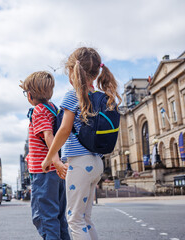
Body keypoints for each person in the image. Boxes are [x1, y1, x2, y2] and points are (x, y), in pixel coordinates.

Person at [43, 47, 121, 240]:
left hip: (79, 163)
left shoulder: (73, 95)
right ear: (96, 73)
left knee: (75, 220)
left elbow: (64, 129)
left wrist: (49, 158)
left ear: (73, 70)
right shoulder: (102, 97)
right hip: (96, 163)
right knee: (86, 219)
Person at [20, 71, 70, 240]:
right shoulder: (52, 108)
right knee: (58, 218)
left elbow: (49, 137)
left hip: (44, 172)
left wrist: (54, 161)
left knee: (43, 217)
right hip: (55, 173)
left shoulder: (39, 111)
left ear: (30, 95)